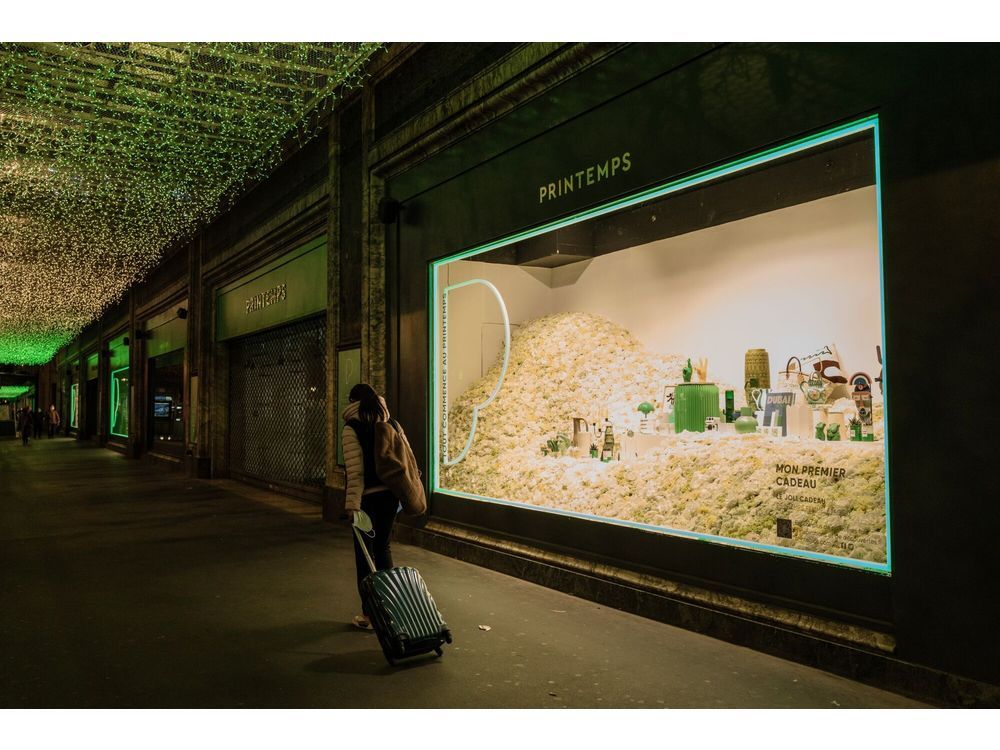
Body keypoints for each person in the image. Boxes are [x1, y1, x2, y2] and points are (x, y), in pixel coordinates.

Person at [341, 383, 401, 631]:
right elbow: (406, 457)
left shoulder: (351, 427)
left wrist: (352, 505)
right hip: (390, 497)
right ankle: (391, 608)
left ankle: (370, 614)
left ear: (353, 401)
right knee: (383, 548)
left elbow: (354, 472)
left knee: (364, 555)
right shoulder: (392, 423)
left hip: (367, 499)